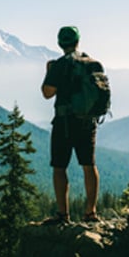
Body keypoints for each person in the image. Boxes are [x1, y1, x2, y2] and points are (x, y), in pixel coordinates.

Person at [41, 25, 101, 224]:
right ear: (78, 41)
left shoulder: (59, 65)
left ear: (60, 43)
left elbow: (47, 93)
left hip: (64, 122)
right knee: (89, 165)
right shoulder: (93, 63)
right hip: (87, 122)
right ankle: (90, 212)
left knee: (60, 168)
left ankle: (63, 215)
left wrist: (48, 72)